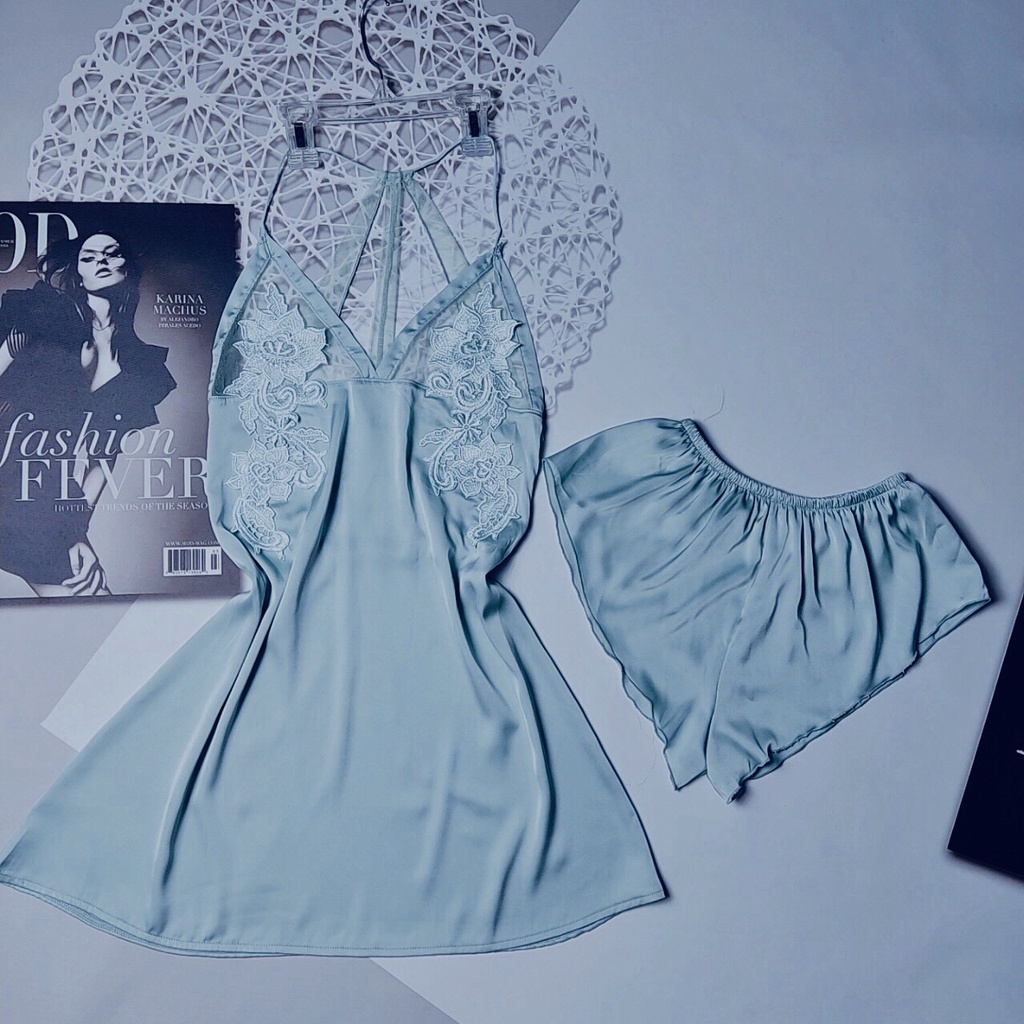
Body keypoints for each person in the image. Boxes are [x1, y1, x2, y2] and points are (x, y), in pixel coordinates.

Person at [0, 228, 176, 597]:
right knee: (90, 600)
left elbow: (104, 458)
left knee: (91, 600)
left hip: (44, 493)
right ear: (77, 272)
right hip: (10, 478)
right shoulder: (41, 315)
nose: (102, 261)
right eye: (89, 256)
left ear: (128, 267)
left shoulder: (137, 364)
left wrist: (77, 532)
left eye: (112, 253)